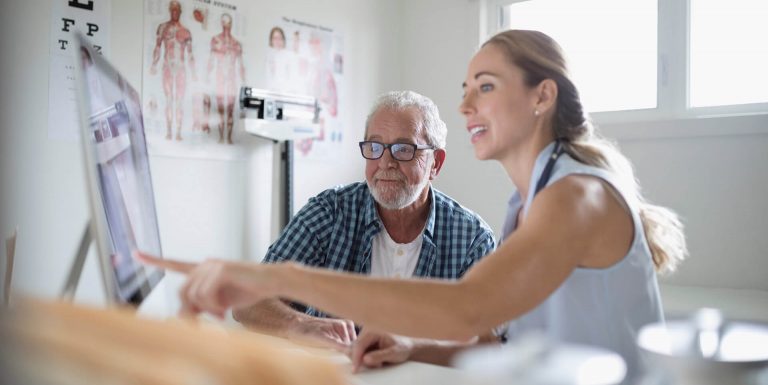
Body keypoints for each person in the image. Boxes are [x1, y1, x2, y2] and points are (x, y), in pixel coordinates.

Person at [138, 30, 687, 381]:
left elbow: (468, 309)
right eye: (466, 87)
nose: (466, 102)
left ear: (542, 96)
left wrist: (281, 277)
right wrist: (409, 347)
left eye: (486, 87)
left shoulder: (575, 196)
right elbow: (498, 342)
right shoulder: (530, 203)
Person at [230, 90, 495, 350]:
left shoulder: (472, 239)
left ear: (435, 163)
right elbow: (247, 300)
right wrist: (299, 324)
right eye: (375, 147)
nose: (385, 162)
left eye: (403, 149)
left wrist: (413, 347)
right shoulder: (329, 212)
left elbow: (487, 341)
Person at [150, 0, 196, 141]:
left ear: (180, 11)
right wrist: (154, 64)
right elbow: (158, 47)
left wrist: (194, 73)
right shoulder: (163, 28)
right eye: (172, 9)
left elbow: (190, 54)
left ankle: (178, 132)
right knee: (169, 99)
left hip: (181, 68)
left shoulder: (186, 32)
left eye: (177, 9)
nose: (174, 12)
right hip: (167, 66)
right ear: (170, 10)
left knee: (180, 101)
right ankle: (169, 131)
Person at [207, 13, 245, 144]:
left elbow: (241, 65)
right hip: (219, 79)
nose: (226, 26)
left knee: (230, 111)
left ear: (231, 24)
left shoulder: (236, 44)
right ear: (221, 24)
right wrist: (205, 78)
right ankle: (221, 137)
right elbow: (211, 62)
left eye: (228, 23)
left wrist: (245, 82)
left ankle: (228, 138)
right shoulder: (216, 41)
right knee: (220, 110)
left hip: (231, 79)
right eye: (224, 23)